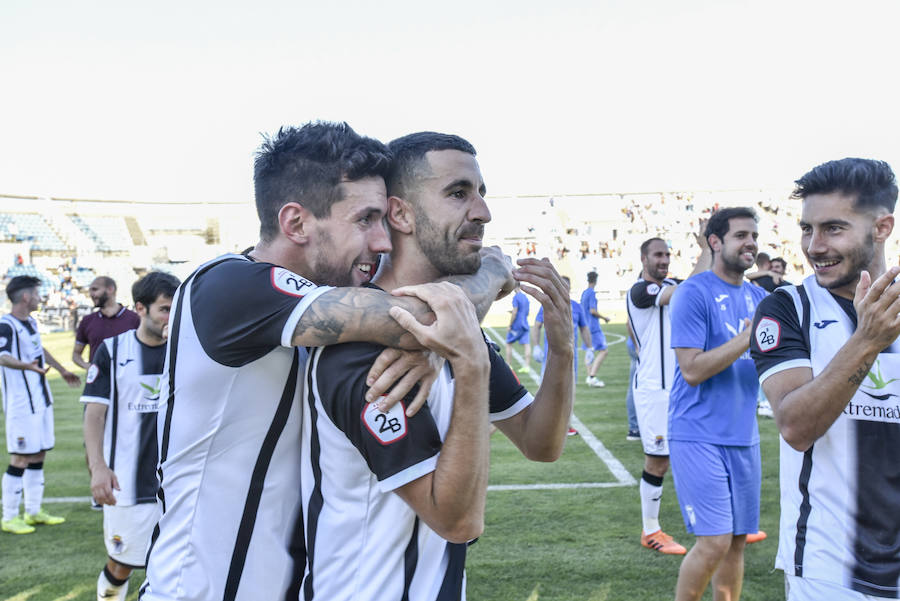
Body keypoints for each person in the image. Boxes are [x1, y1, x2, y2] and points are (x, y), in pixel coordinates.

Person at [140, 122, 513, 601]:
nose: (382, 242)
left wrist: (429, 350)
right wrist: (495, 270)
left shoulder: (328, 297)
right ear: (296, 223)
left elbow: (420, 313)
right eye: (365, 220)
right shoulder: (229, 287)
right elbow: (426, 316)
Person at [296, 131, 573, 600]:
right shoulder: (362, 351)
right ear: (401, 213)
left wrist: (562, 350)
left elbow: (540, 442)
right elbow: (458, 521)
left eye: (482, 194)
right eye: (459, 193)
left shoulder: (457, 328)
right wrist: (469, 366)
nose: (483, 212)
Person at [750, 158, 900, 600]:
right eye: (807, 229)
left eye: (833, 228)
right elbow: (796, 426)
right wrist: (868, 340)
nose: (814, 246)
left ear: (881, 227)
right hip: (829, 570)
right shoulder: (787, 309)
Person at [668, 207, 768, 601]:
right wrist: (745, 339)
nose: (751, 243)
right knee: (714, 542)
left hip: (744, 436)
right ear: (715, 242)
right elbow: (691, 369)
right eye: (741, 235)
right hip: (697, 434)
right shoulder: (694, 292)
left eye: (754, 235)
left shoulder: (761, 297)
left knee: (737, 541)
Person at [81, 271, 180, 601]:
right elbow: (94, 415)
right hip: (129, 483)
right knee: (121, 564)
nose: (171, 317)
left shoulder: (186, 351)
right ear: (140, 308)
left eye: (175, 309)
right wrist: (98, 468)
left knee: (175, 568)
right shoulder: (112, 351)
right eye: (164, 309)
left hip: (180, 486)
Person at [625, 231, 710, 556]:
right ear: (644, 259)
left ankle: (714, 526)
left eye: (666, 256)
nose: (662, 261)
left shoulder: (671, 284)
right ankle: (651, 530)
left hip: (680, 386)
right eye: (657, 255)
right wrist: (706, 250)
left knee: (698, 453)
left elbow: (695, 286)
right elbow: (689, 290)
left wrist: (707, 252)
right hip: (654, 391)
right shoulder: (640, 290)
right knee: (658, 461)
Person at [1, 276, 81, 534]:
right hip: (21, 403)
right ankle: (9, 516)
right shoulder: (6, 325)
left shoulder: (31, 322)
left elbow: (39, 351)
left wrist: (61, 370)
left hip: (40, 399)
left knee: (39, 453)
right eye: (36, 294)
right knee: (21, 457)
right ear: (25, 297)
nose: (39, 298)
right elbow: (1, 356)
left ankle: (33, 511)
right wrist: (26, 366)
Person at [533, 274, 590, 436]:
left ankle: (566, 425)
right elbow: (537, 326)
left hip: (572, 358)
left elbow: (584, 328)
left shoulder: (576, 307)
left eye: (566, 287)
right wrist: (536, 346)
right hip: (550, 357)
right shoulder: (547, 305)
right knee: (546, 390)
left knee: (569, 390)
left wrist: (589, 348)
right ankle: (543, 425)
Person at [73, 277, 140, 370]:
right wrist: (89, 367)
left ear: (110, 289)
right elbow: (76, 354)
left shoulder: (135, 319)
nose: (91, 294)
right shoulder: (87, 321)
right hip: (98, 382)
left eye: (95, 289)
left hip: (127, 379)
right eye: (90, 290)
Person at [580, 271, 611, 388]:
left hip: (585, 327)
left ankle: (590, 377)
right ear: (596, 280)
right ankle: (592, 376)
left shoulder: (584, 293)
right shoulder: (591, 293)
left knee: (589, 351)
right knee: (604, 351)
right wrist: (604, 318)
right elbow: (592, 310)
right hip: (593, 327)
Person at [505, 282, 531, 368]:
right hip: (525, 323)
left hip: (517, 324)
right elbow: (527, 312)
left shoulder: (516, 297)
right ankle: (526, 366)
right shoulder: (525, 297)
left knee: (508, 343)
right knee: (526, 345)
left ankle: (509, 365)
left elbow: (515, 312)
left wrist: (510, 325)